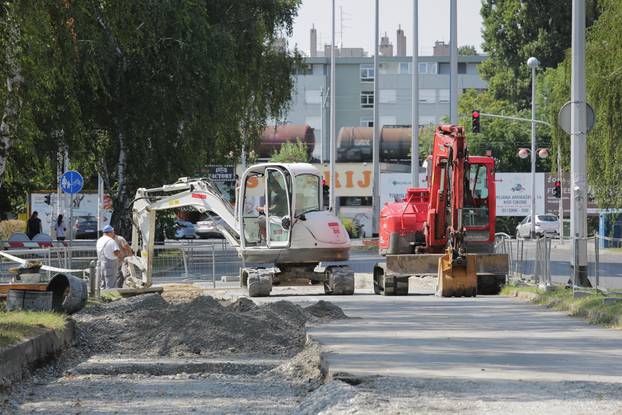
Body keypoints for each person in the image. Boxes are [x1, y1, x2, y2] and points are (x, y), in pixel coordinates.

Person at [96, 225, 121, 289]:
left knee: (103, 283)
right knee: (111, 283)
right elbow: (116, 252)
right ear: (109, 232)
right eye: (113, 232)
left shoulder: (99, 240)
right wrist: (120, 256)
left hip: (101, 264)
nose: (114, 233)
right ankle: (111, 297)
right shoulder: (111, 241)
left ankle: (102, 296)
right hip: (110, 264)